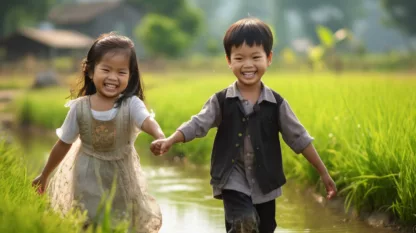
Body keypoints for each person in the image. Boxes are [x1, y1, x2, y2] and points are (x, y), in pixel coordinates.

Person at [150, 17, 337, 233]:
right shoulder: (221, 101)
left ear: (269, 58)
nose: (248, 65)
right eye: (239, 58)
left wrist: (323, 172)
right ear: (229, 61)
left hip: (265, 181)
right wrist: (171, 139)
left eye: (256, 57)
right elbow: (198, 123)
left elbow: (299, 138)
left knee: (265, 228)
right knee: (244, 222)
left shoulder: (276, 104)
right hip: (232, 178)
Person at [32, 32, 164, 232]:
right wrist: (44, 175)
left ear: (131, 75)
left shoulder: (131, 104)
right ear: (90, 71)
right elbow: (63, 143)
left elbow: (147, 121)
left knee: (122, 223)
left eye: (121, 72)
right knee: (88, 222)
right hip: (86, 178)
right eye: (106, 69)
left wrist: (160, 136)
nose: (113, 77)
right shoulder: (80, 108)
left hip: (121, 178)